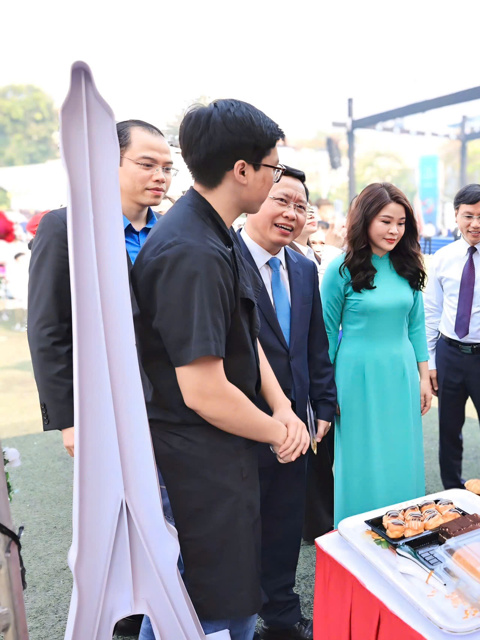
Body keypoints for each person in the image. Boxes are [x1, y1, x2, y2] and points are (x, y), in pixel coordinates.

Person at [132, 100, 310, 640]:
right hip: (197, 458)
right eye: (273, 168)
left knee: (232, 593)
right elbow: (204, 390)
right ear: (242, 171)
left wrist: (280, 405)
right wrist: (280, 430)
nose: (277, 178)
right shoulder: (191, 249)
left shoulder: (215, 233)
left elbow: (244, 335)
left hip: (224, 449)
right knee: (199, 605)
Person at [27, 119, 174, 638]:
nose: (160, 176)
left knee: (167, 520)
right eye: (146, 164)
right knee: (114, 527)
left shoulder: (170, 230)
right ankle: (121, 622)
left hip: (174, 408)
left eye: (166, 167)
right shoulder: (65, 227)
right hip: (106, 412)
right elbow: (47, 329)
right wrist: (71, 421)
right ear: (106, 162)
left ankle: (166, 614)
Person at [237, 166, 336, 640]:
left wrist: (323, 406)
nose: (291, 213)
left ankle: (281, 614)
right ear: (255, 195)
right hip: (239, 424)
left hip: (297, 423)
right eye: (282, 200)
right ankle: (235, 615)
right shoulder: (225, 257)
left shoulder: (302, 265)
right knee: (238, 531)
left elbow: (314, 344)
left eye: (301, 205)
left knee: (283, 526)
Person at [321, 182, 430, 526]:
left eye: (401, 223)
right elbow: (325, 334)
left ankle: (405, 527)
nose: (394, 230)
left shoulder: (409, 266)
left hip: (400, 374)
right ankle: (356, 532)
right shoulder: (340, 270)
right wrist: (326, 389)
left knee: (402, 453)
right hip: (355, 376)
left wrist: (424, 378)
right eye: (386, 221)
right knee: (360, 457)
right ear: (365, 219)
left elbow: (416, 326)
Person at [425, 184, 480, 489]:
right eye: (468, 216)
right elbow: (431, 310)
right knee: (449, 428)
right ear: (456, 216)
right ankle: (452, 487)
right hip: (450, 353)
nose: (475, 224)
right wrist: (432, 361)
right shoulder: (441, 257)